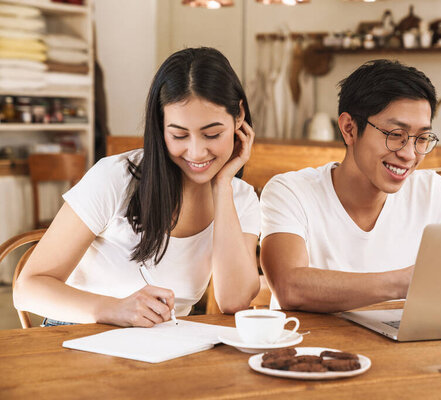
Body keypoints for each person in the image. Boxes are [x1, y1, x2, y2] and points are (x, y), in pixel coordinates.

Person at [14, 47, 260, 327]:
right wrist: (116, 310)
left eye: (212, 134)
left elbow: (234, 301)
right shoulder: (116, 178)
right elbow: (27, 289)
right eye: (179, 135)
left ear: (239, 116)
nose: (196, 151)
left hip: (161, 345)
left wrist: (224, 185)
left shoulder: (240, 199)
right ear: (160, 125)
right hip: (78, 335)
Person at [259, 60, 441, 313]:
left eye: (422, 138)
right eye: (395, 134)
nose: (409, 154)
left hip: (403, 349)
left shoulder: (433, 192)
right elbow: (290, 287)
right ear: (349, 129)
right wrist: (406, 283)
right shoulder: (291, 192)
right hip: (314, 349)